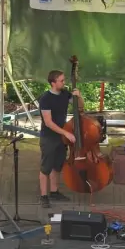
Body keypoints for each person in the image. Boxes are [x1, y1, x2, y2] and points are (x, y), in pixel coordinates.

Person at [38, 70, 83, 208]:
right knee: (46, 167)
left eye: (64, 80)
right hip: (48, 137)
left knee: (57, 166)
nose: (64, 82)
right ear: (53, 83)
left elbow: (80, 107)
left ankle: (54, 192)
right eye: (61, 81)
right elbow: (48, 122)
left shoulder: (65, 94)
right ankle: (43, 196)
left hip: (61, 137)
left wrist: (79, 97)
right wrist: (66, 133)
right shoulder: (45, 99)